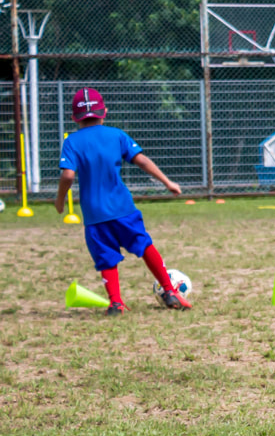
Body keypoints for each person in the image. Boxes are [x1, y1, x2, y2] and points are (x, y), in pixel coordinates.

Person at [54, 88, 193, 315]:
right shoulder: (117, 135)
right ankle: (169, 291)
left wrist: (60, 200)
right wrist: (167, 182)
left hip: (94, 214)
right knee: (144, 246)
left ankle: (116, 303)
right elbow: (142, 160)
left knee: (106, 258)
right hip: (123, 208)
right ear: (104, 112)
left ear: (73, 117)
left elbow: (68, 175)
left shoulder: (72, 142)